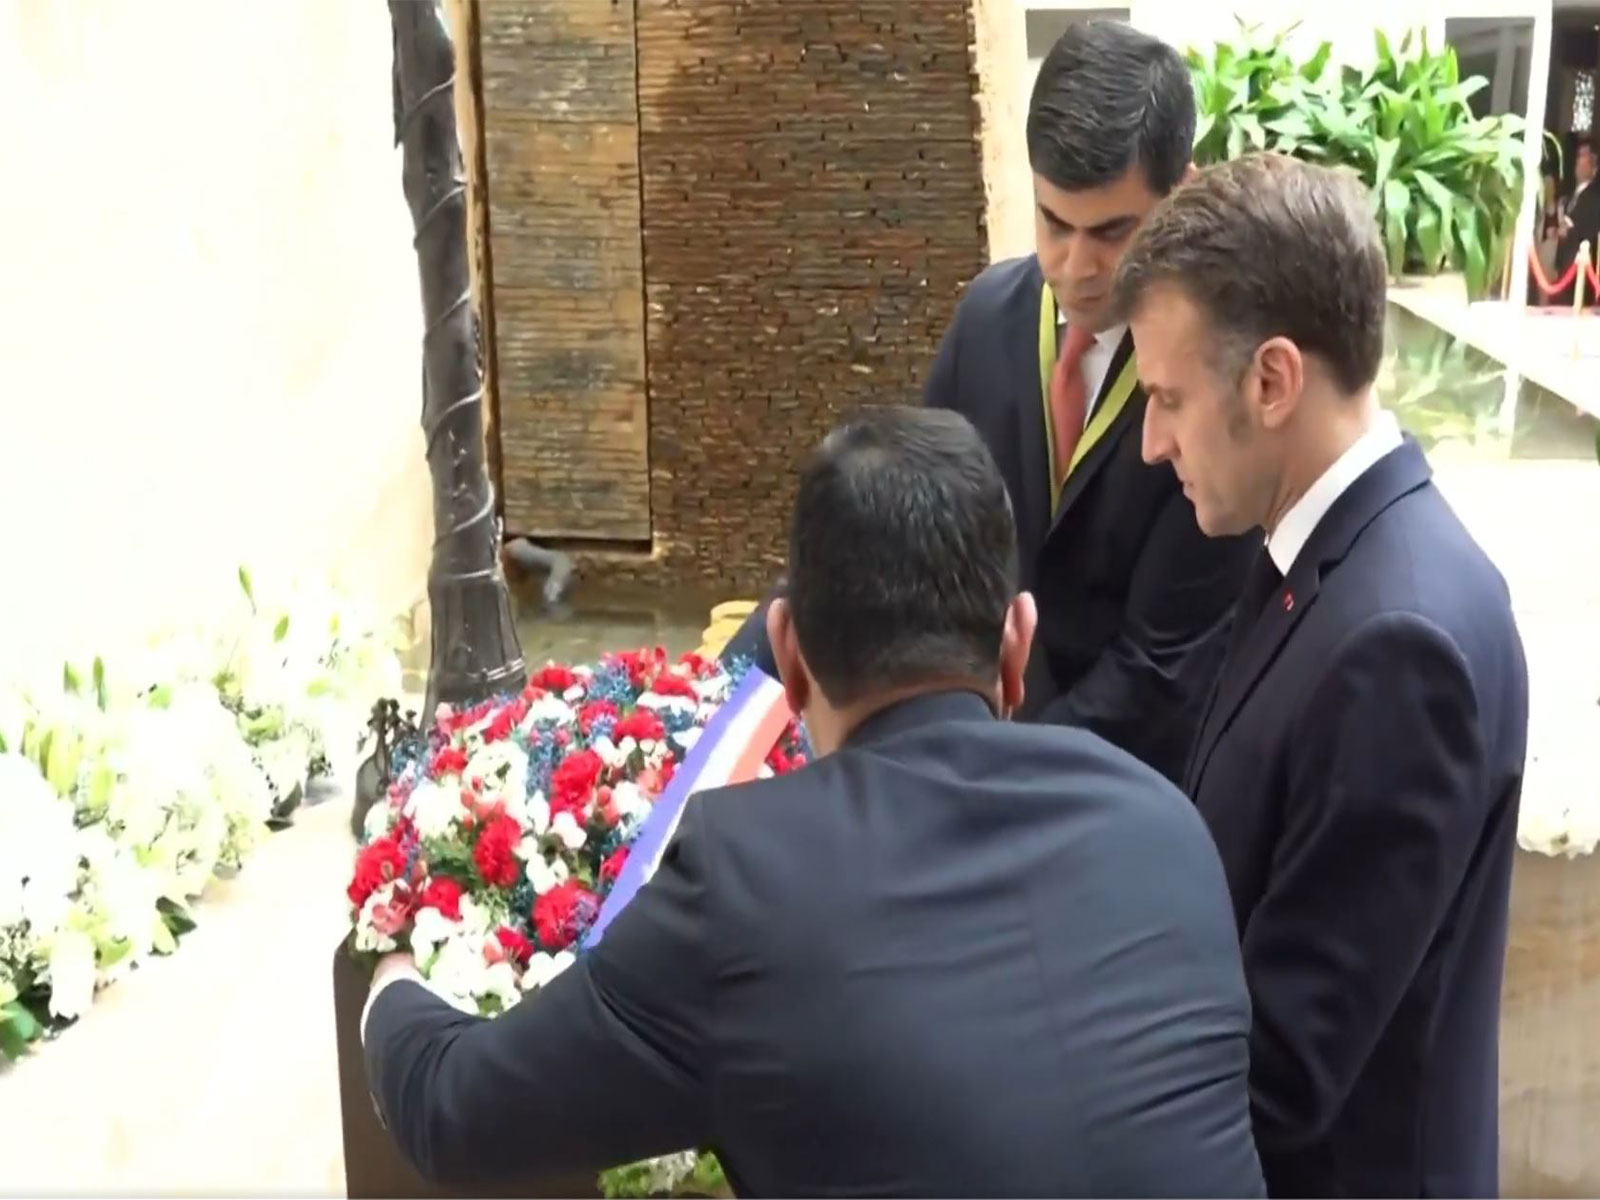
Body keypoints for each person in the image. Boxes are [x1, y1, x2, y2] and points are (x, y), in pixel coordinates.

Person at [362, 405, 1266, 1197]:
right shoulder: (1167, 828)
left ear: (787, 657)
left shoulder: (746, 882)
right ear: (1016, 644)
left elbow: (450, 1108)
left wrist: (393, 968)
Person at [1109, 152, 1530, 1197]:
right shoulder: (1336, 558)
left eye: (1166, 399)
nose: (1152, 444)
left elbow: (1287, 1068)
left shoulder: (1399, 645)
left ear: (1272, 380)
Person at [721, 21, 1255, 785]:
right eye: (1053, 222)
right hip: (965, 748)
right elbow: (898, 533)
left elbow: (1162, 673)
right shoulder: (991, 318)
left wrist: (984, 777)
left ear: (1184, 192)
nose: (1076, 266)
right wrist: (721, 695)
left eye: (1113, 232)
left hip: (1117, 785)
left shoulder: (1214, 380)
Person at [1554, 141, 1600, 306]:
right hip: (1564, 267)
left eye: (1584, 157)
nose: (1579, 162)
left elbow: (1592, 229)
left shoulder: (1595, 197)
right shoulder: (1571, 196)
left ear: (1594, 168)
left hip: (1581, 270)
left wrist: (1570, 231)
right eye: (1578, 157)